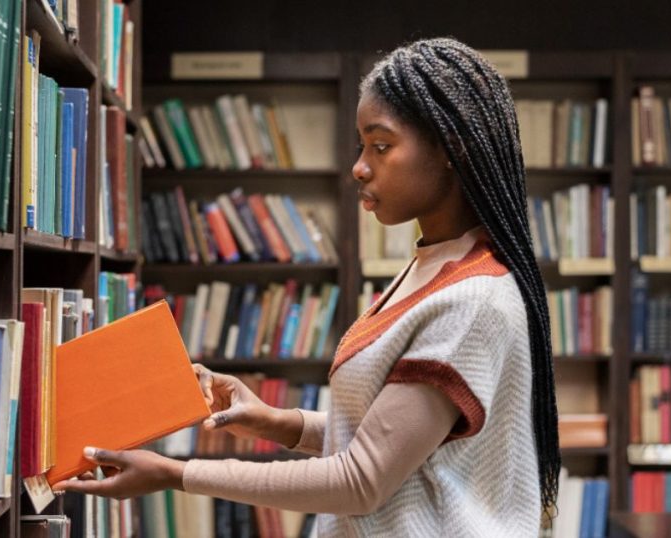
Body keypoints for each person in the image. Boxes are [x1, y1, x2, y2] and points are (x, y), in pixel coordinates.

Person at [54, 37, 561, 537]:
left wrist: (175, 474)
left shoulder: (472, 299)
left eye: (381, 146)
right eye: (362, 146)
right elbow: (390, 439)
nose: (360, 167)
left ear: (453, 148)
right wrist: (274, 421)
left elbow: (361, 479)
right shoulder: (436, 264)